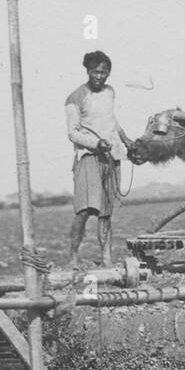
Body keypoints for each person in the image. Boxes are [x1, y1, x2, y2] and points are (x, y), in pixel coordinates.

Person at [64, 50, 134, 269]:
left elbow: (111, 119)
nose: (100, 76)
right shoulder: (75, 98)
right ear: (88, 71)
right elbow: (73, 133)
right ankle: (73, 258)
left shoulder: (110, 92)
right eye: (96, 71)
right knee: (84, 210)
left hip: (111, 156)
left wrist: (125, 139)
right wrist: (96, 143)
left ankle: (106, 259)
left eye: (104, 72)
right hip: (88, 156)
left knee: (106, 213)